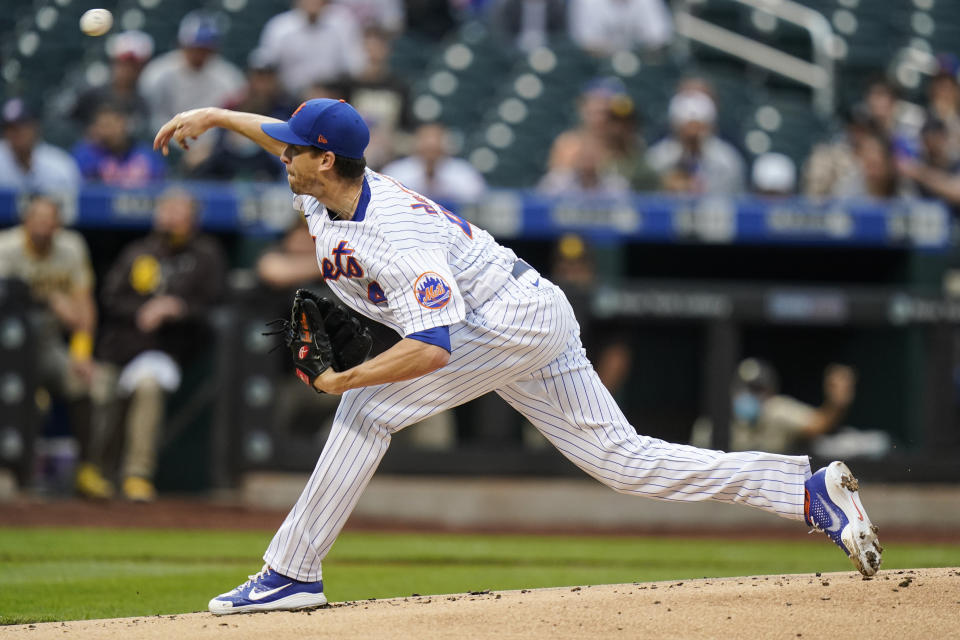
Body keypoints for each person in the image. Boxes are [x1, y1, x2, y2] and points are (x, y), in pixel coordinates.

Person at [154, 98, 883, 614]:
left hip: (510, 319)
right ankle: (805, 493)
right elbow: (276, 135)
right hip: (528, 309)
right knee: (624, 462)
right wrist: (217, 116)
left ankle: (290, 572)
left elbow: (431, 348)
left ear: (325, 159)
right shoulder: (329, 191)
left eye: (293, 146)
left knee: (366, 406)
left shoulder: (393, 237)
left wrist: (348, 376)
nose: (280, 152)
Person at [93, 188, 227, 501]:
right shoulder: (138, 251)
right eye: (165, 211)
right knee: (99, 391)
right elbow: (111, 298)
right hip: (123, 348)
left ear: (192, 219)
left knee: (148, 386)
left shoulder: (205, 254)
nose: (169, 218)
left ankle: (136, 474)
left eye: (177, 212)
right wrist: (141, 309)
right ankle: (96, 471)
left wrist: (177, 308)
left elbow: (214, 304)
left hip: (168, 350)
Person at [0, 195, 110, 498]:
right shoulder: (5, 249)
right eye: (39, 219)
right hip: (8, 348)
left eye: (51, 221)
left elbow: (84, 307)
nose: (45, 227)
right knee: (18, 395)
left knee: (90, 384)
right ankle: (11, 472)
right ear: (25, 221)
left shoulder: (70, 247)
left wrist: (82, 353)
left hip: (47, 344)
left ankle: (87, 469)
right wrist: (46, 300)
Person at [138, 11, 245, 139]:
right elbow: (153, 115)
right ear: (182, 44)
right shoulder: (159, 72)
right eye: (195, 47)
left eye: (205, 49)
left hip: (212, 145)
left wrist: (210, 146)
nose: (199, 54)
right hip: (166, 138)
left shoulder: (228, 77)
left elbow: (232, 120)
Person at [257, 0, 367, 98]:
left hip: (332, 95)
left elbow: (355, 67)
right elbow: (265, 66)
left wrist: (330, 88)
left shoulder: (342, 24)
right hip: (288, 97)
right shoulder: (280, 27)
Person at [645, 89, 746, 195]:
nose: (693, 136)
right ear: (675, 128)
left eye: (699, 128)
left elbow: (736, 201)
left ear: (710, 127)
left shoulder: (727, 162)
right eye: (686, 130)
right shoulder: (657, 160)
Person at [70, 30, 154, 139]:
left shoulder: (142, 102)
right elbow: (67, 124)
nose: (126, 70)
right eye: (121, 63)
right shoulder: (92, 95)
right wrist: (91, 131)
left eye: (132, 65)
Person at [380, 122, 487, 202]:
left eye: (436, 140)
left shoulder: (462, 170)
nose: (431, 145)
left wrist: (436, 178)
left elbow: (476, 196)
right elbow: (386, 196)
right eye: (426, 140)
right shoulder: (396, 170)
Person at [71, 103, 166, 187]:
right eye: (105, 126)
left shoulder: (147, 155)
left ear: (125, 124)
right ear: (96, 128)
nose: (112, 131)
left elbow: (159, 188)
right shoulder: (85, 156)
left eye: (116, 124)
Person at [0, 98, 81, 194]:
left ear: (36, 127)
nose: (17, 133)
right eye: (10, 128)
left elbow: (74, 205)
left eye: (23, 126)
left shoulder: (59, 164)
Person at [567, 0, 673, 57]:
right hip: (597, 64)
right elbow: (586, 42)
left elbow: (659, 37)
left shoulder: (648, 2)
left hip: (641, 62)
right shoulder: (586, 2)